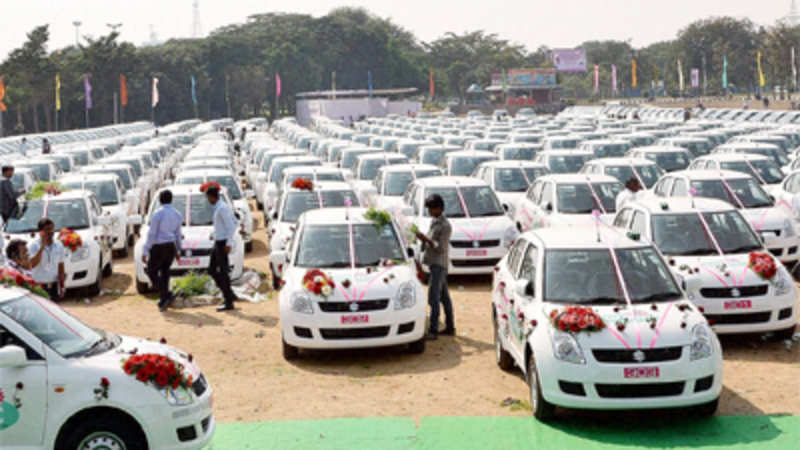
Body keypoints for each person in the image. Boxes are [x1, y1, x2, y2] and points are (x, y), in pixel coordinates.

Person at [415, 194, 454, 340]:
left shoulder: (445, 226)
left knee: (433, 298)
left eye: (431, 209)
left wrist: (427, 240)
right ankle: (450, 327)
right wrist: (424, 240)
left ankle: (433, 330)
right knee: (444, 298)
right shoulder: (435, 221)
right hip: (435, 264)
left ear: (438, 208)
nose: (429, 212)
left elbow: (440, 247)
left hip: (439, 264)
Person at [143, 190, 183, 312]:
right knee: (165, 272)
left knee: (151, 272)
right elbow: (178, 234)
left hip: (158, 247)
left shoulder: (158, 214)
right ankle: (164, 297)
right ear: (171, 200)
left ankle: (166, 294)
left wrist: (145, 250)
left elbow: (152, 234)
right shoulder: (177, 214)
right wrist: (178, 250)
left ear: (160, 200)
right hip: (170, 246)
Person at [206, 186, 238, 312]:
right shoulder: (220, 207)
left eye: (208, 197)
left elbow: (231, 226)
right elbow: (234, 222)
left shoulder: (222, 208)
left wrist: (228, 242)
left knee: (222, 272)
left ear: (213, 197)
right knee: (212, 270)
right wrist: (216, 233)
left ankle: (228, 301)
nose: (208, 200)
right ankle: (229, 293)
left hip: (222, 243)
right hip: (218, 241)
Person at [28, 218, 66, 301]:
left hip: (54, 285)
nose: (51, 232)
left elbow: (61, 265)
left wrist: (62, 285)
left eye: (52, 228)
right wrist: (42, 247)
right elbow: (32, 264)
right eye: (47, 229)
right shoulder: (34, 245)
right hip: (39, 286)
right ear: (41, 232)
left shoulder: (59, 245)